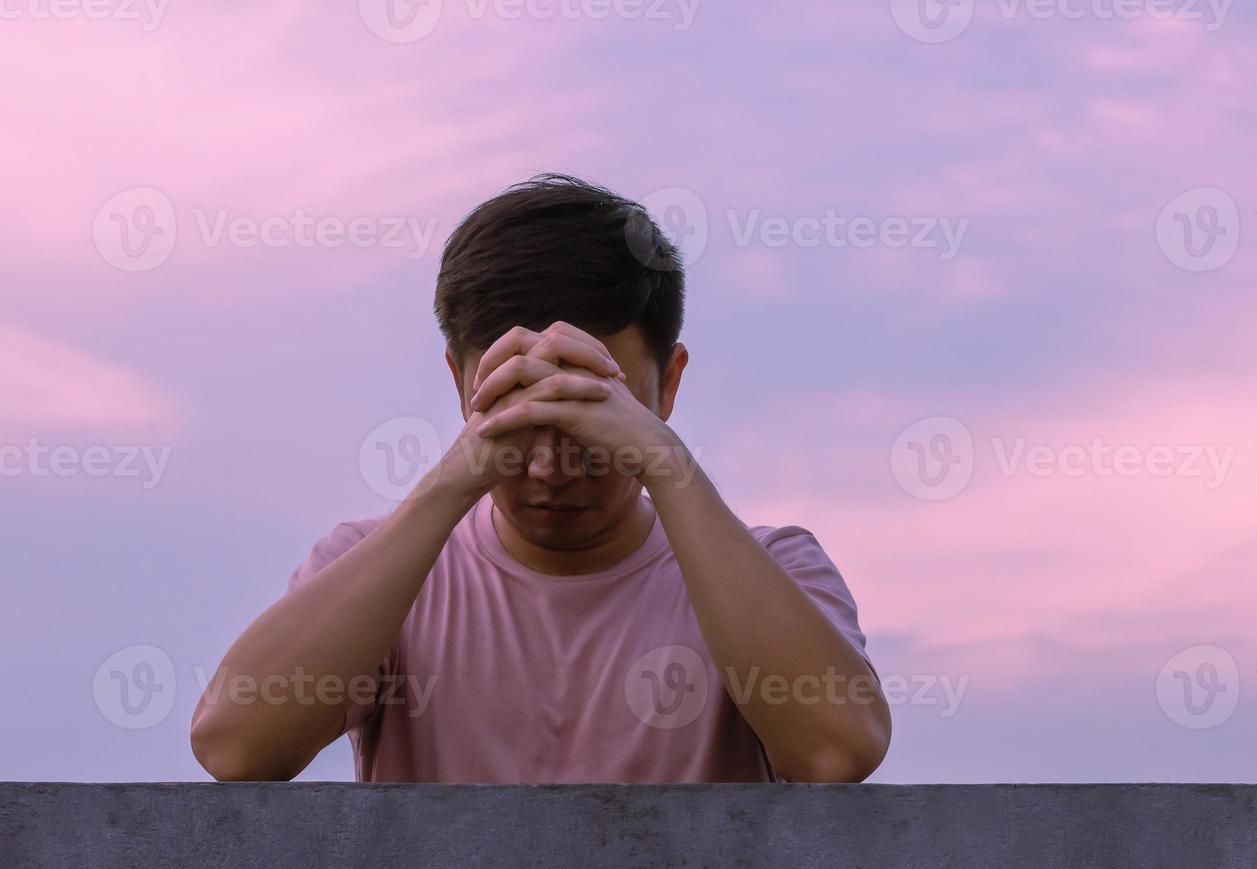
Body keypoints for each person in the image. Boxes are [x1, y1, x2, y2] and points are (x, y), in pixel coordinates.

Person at [190, 174, 890, 783]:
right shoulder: (373, 569)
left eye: (593, 411)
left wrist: (667, 466)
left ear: (667, 386)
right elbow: (236, 746)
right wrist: (450, 484)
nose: (552, 468)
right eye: (512, 409)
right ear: (459, 384)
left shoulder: (774, 569)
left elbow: (836, 752)